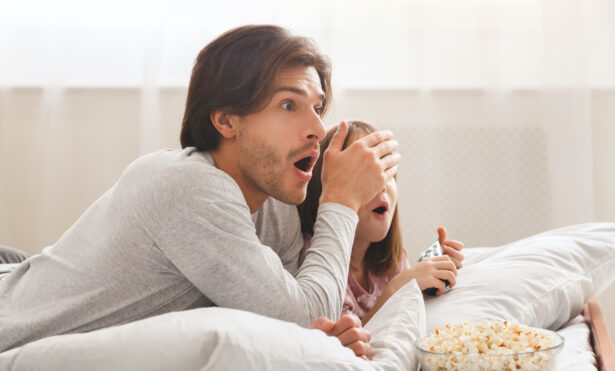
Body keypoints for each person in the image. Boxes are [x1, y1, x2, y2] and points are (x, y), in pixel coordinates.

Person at [0, 25, 401, 358]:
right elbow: (304, 315)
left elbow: (304, 317)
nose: (316, 128)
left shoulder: (276, 205)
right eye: (287, 105)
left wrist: (326, 333)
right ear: (227, 121)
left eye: (317, 107)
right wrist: (340, 201)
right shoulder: (188, 187)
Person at [298, 120, 464, 325]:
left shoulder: (390, 261)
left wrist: (431, 274)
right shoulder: (316, 262)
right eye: (368, 177)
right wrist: (398, 288)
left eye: (388, 174)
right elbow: (343, 342)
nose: (382, 186)